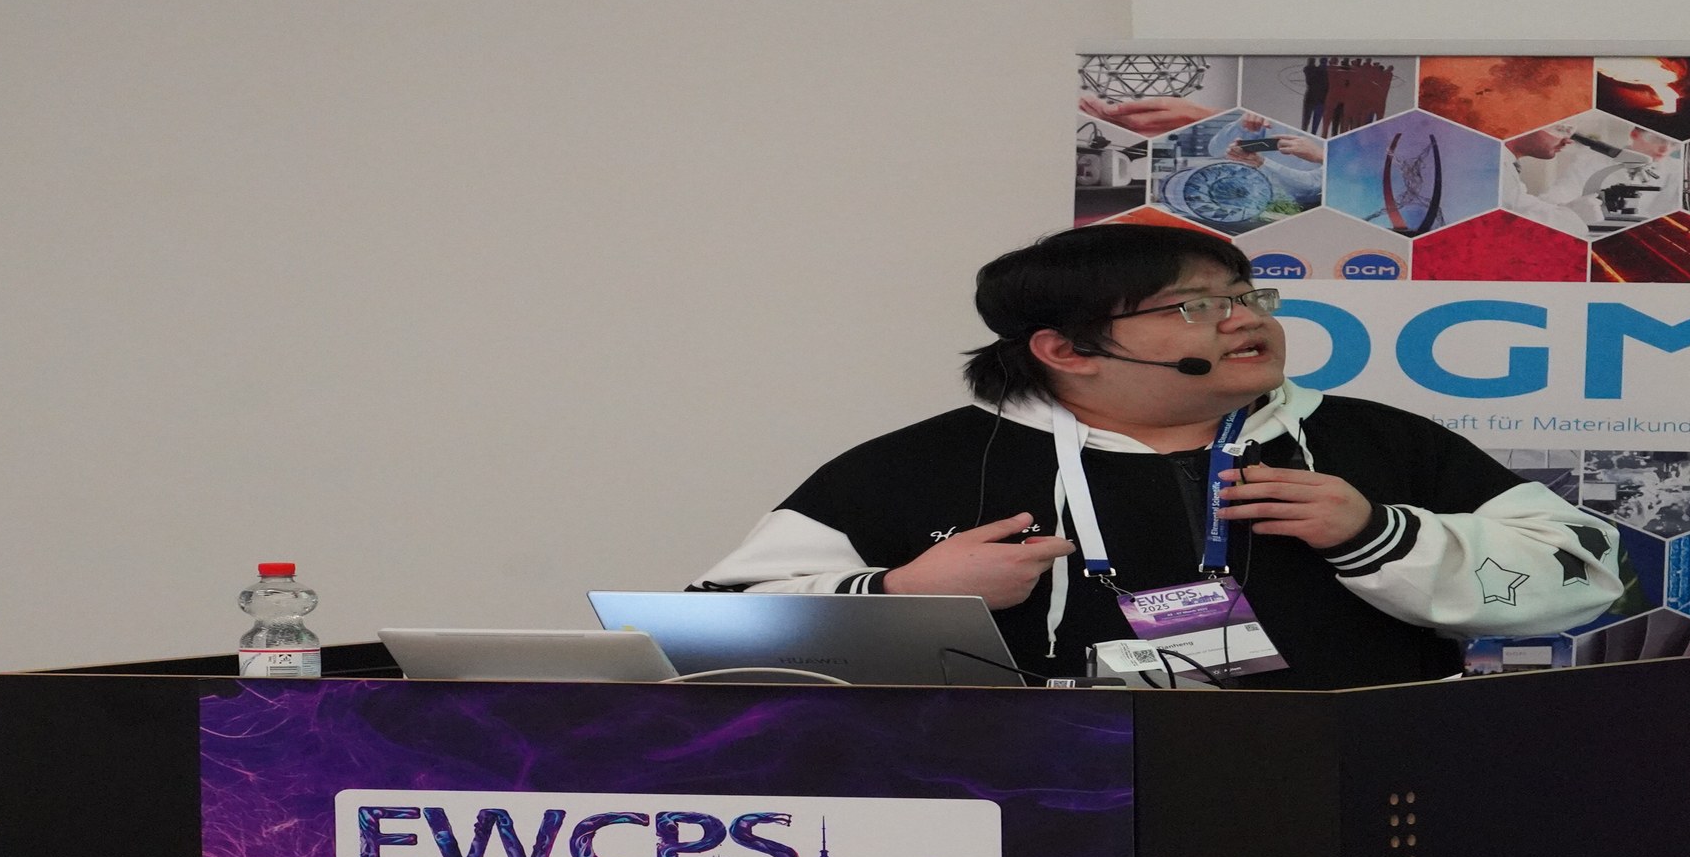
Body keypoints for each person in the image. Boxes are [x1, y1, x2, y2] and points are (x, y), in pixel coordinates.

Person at [692, 223, 1623, 688]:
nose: (1245, 320)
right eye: (1195, 307)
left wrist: (1380, 535)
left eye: (1247, 296)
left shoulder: (1372, 441)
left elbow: (1586, 577)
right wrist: (899, 594)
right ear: (1066, 348)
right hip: (1048, 815)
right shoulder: (918, 465)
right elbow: (712, 639)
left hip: (1355, 798)